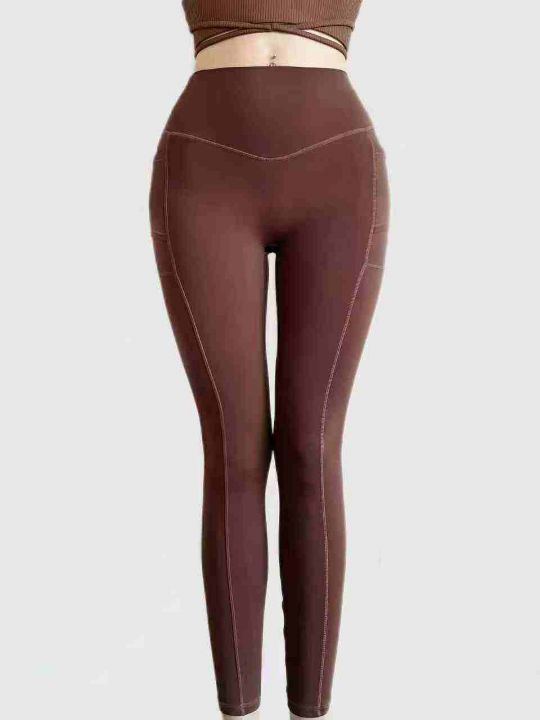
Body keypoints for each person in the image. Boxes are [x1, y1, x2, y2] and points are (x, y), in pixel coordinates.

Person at [149, 3, 390, 718]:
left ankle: (313, 710)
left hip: (336, 170)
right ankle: (237, 709)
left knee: (312, 448)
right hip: (207, 168)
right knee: (235, 449)